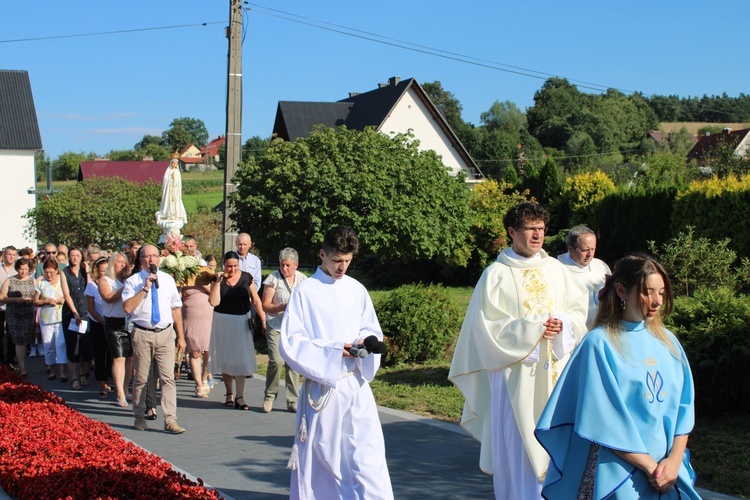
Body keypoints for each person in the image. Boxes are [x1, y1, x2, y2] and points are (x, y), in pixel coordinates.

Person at [448, 201, 589, 500]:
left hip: (554, 374)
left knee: (555, 448)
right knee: (518, 452)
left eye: (541, 228)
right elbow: (485, 330)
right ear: (512, 231)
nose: (537, 235)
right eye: (530, 229)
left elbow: (578, 309)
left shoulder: (556, 269)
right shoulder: (495, 275)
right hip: (514, 379)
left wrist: (563, 324)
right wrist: (535, 329)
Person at [535, 254, 698, 499]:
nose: (656, 302)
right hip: (618, 471)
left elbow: (684, 408)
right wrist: (651, 468)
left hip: (668, 471)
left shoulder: (668, 342)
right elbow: (603, 419)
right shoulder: (599, 343)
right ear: (621, 290)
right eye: (647, 292)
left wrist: (674, 462)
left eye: (661, 293)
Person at [280, 225, 393, 499]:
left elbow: (370, 328)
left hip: (355, 385)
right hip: (324, 389)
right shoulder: (306, 292)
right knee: (327, 460)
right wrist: (333, 350)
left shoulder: (357, 290)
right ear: (322, 254)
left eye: (347, 261)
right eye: (336, 261)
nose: (342, 267)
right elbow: (291, 342)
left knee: (368, 457)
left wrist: (366, 341)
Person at [123, 244, 187, 434]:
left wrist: (181, 337)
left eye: (155, 256)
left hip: (166, 333)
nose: (151, 260)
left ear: (159, 258)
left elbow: (176, 308)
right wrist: (145, 288)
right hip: (143, 333)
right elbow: (127, 308)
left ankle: (170, 420)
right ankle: (140, 417)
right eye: (147, 256)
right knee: (141, 378)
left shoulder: (167, 280)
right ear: (141, 260)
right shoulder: (133, 281)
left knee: (168, 378)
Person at [208, 251, 265, 411]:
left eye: (235, 266)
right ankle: (229, 394)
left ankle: (240, 396)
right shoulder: (217, 279)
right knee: (226, 357)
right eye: (229, 266)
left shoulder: (247, 277)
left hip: (241, 321)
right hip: (223, 321)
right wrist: (218, 282)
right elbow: (213, 302)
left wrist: (263, 319)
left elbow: (255, 299)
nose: (232, 269)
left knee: (240, 358)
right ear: (223, 265)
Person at [261, 247, 306, 413]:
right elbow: (265, 305)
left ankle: (293, 400)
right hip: (275, 324)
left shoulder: (303, 280)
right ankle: (270, 395)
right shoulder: (273, 278)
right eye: (282, 264)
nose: (284, 268)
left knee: (293, 364)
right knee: (276, 360)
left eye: (287, 265)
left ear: (296, 265)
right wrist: (281, 307)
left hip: (294, 328)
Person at [557, 225, 612, 329]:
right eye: (584, 250)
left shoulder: (601, 266)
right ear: (570, 248)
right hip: (575, 330)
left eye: (593, 249)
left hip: (602, 327)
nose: (590, 254)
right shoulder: (559, 269)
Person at [99, 251, 132, 407]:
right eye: (119, 262)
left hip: (128, 322)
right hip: (113, 323)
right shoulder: (105, 280)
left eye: (124, 262)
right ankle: (119, 393)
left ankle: (126, 389)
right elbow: (109, 298)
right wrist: (125, 288)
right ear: (113, 263)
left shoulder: (128, 279)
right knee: (118, 357)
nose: (122, 264)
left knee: (130, 358)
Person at [34, 259, 73, 382]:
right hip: (46, 318)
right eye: (46, 272)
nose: (49, 275)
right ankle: (51, 368)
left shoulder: (62, 281)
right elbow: (35, 301)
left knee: (60, 344)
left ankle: (62, 371)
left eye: (51, 272)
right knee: (48, 344)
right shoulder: (41, 283)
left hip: (61, 317)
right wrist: (45, 301)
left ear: (57, 270)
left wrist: (63, 299)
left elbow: (69, 295)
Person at [181, 257, 214, 398]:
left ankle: (205, 377)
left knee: (208, 351)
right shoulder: (183, 277)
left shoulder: (207, 277)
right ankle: (199, 384)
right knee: (195, 352)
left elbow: (216, 293)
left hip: (208, 316)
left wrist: (203, 283)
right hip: (191, 316)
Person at [61, 248, 93, 390]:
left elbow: (91, 287)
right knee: (72, 345)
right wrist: (75, 313)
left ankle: (83, 374)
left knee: (85, 344)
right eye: (72, 255)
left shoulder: (83, 272)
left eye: (77, 255)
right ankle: (74, 377)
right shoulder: (64, 272)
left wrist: (87, 271)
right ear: (68, 257)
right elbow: (67, 294)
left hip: (85, 311)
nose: (75, 258)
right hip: (71, 313)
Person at [0, 258, 36, 377]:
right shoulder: (10, 280)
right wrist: (15, 300)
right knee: (18, 339)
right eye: (21, 269)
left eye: (26, 269)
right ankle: (22, 367)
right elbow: (2, 297)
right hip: (14, 313)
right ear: (17, 269)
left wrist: (31, 301)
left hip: (28, 313)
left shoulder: (33, 281)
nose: (23, 272)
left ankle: (22, 363)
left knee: (24, 340)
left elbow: (38, 296)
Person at [85, 256, 114, 399]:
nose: (104, 273)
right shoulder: (92, 285)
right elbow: (90, 308)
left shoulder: (113, 283)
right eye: (102, 270)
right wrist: (101, 321)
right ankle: (102, 383)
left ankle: (110, 380)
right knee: (100, 354)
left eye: (106, 270)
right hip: (98, 323)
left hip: (112, 321)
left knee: (111, 354)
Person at [0, 246, 18, 367]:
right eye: (8, 254)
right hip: (0, 307)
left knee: (12, 335)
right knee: (0, 334)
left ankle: (11, 359)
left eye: (13, 254)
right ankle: (1, 360)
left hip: (14, 307)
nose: (11, 256)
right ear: (4, 255)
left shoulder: (18, 270)